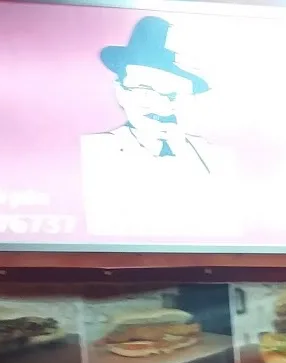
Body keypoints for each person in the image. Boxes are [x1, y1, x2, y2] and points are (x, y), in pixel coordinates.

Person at [81, 16, 236, 237]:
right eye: (145, 89)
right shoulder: (94, 151)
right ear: (121, 92)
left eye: (172, 94)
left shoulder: (218, 160)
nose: (160, 105)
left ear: (192, 99)